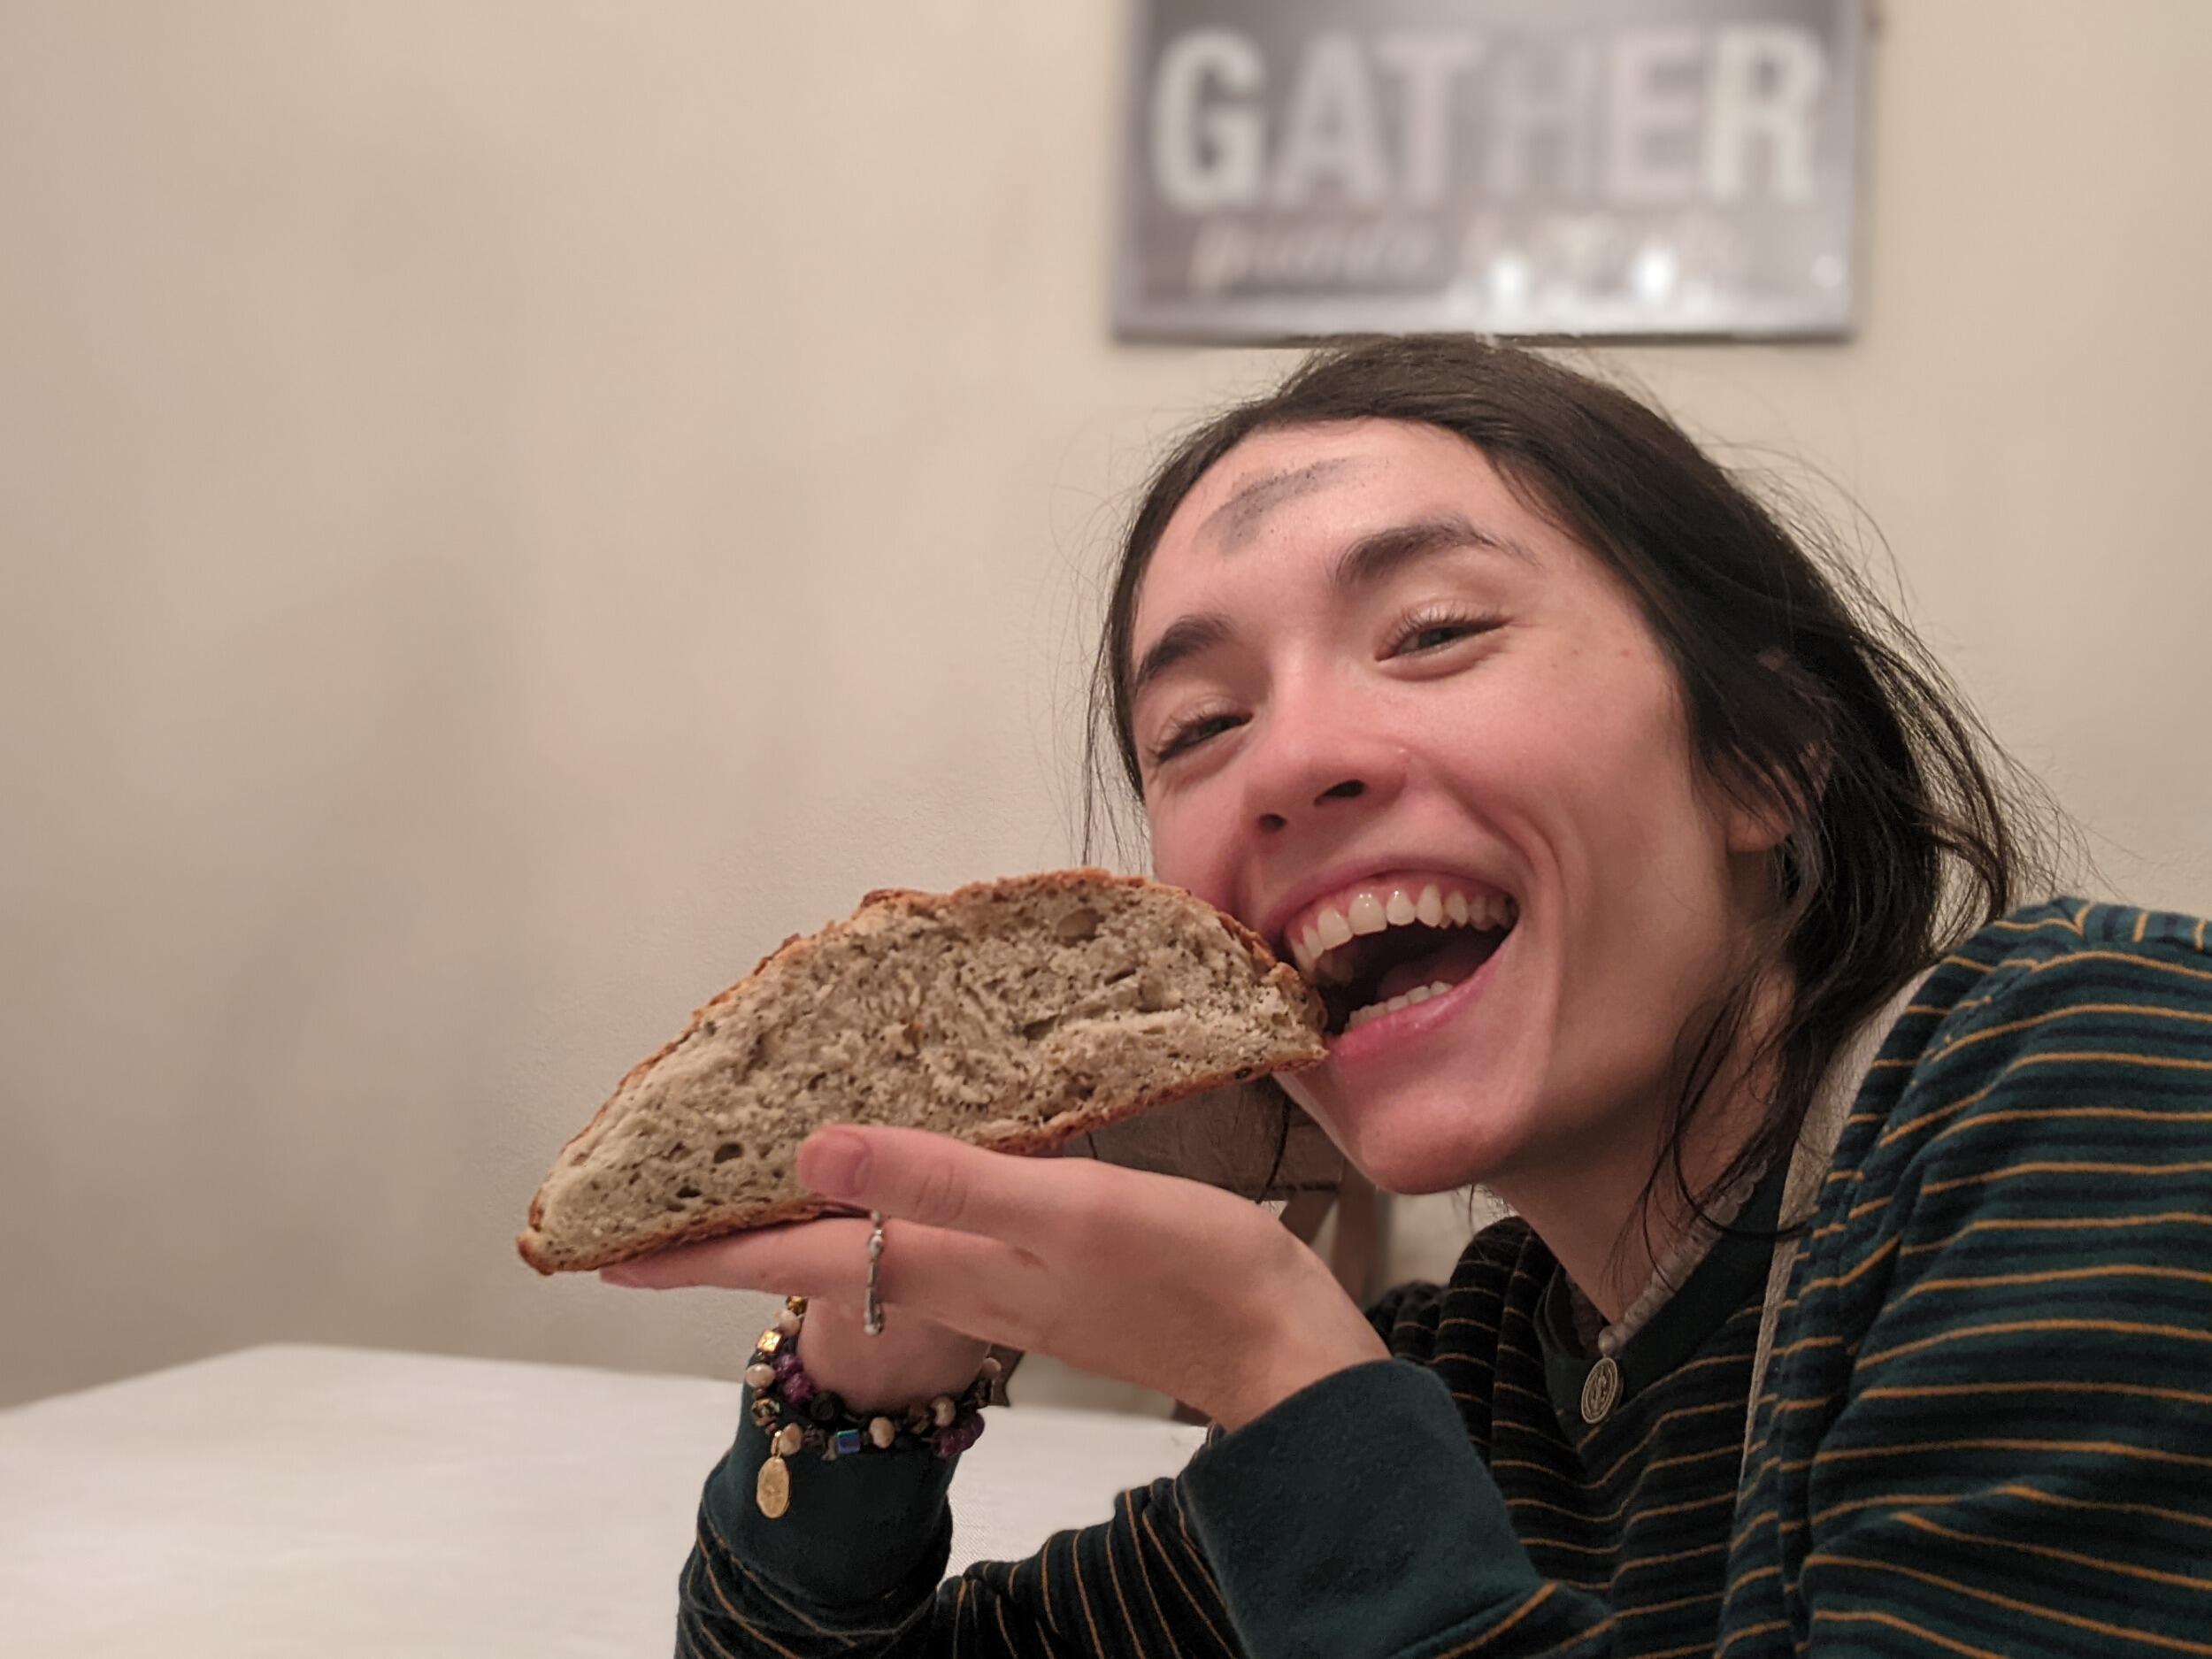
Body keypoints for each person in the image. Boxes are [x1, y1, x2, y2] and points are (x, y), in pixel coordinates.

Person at [603, 335, 2212, 1655]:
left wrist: (1279, 1376)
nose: (1294, 763)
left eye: (1433, 629)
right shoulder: (1488, 1379)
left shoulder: (2090, 1081)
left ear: (1767, 755)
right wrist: (872, 1380)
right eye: (1199, 729)